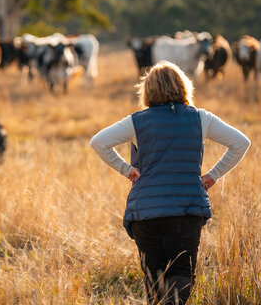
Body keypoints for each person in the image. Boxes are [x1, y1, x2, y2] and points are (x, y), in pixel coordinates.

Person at [89, 61, 250, 304]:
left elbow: (98, 142)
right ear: (183, 86)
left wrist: (126, 169)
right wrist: (213, 176)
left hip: (145, 212)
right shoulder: (200, 118)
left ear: (148, 90)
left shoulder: (136, 122)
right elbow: (241, 143)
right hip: (186, 209)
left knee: (154, 279)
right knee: (181, 275)